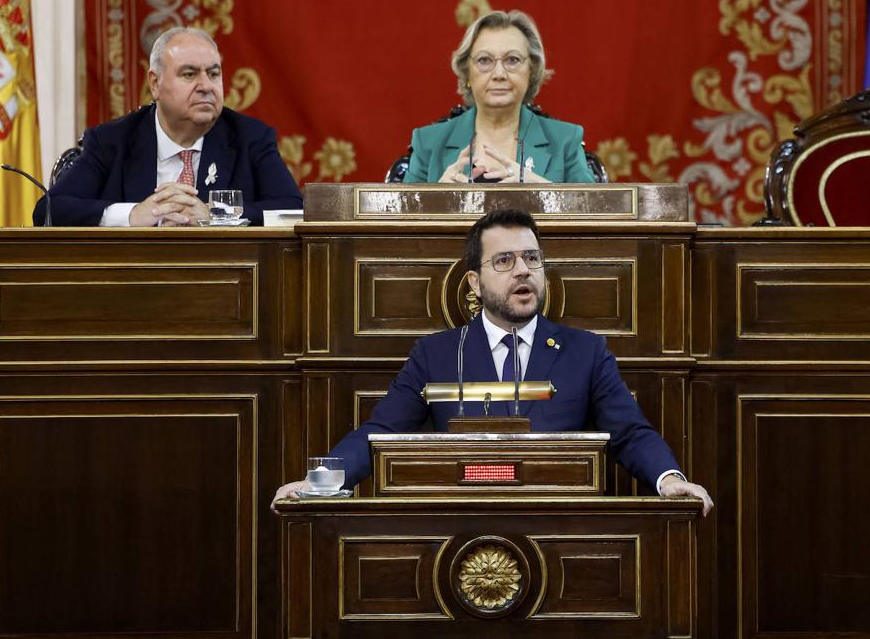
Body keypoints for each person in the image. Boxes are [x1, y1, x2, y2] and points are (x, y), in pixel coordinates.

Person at [274, 209, 713, 516]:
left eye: (532, 259)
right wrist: (320, 484)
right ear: (475, 282)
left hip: (559, 524)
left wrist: (669, 479)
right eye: (504, 260)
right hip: (462, 521)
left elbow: (630, 434)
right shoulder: (437, 354)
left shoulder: (586, 351)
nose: (523, 270)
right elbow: (381, 433)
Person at [32, 27, 302, 227]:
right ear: (155, 84)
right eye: (189, 74)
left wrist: (216, 216)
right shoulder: (112, 141)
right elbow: (49, 210)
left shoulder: (250, 138)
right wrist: (133, 214)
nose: (206, 86)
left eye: (214, 73)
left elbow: (293, 211)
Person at [403, 10, 596, 184]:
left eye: (512, 60)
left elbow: (594, 213)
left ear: (532, 70)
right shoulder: (428, 142)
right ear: (466, 71)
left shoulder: (565, 140)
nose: (499, 74)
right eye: (484, 60)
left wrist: (545, 193)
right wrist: (436, 200)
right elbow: (402, 218)